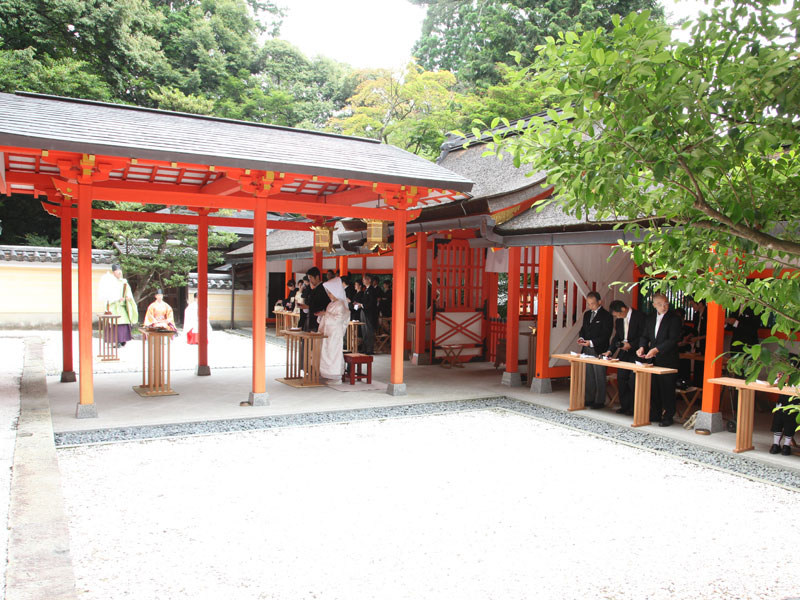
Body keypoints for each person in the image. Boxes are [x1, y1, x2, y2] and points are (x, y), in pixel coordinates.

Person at [637, 292, 682, 427]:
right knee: (654, 387)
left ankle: (668, 415)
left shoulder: (674, 318)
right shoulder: (650, 318)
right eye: (661, 304)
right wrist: (642, 347)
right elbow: (645, 336)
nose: (664, 306)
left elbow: (673, 339)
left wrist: (657, 349)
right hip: (653, 359)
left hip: (668, 358)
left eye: (666, 303)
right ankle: (655, 413)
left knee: (667, 388)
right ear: (654, 305)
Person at [605, 300, 645, 416]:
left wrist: (631, 345)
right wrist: (610, 351)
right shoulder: (618, 321)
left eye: (617, 314)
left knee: (633, 380)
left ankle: (634, 407)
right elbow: (617, 337)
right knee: (621, 379)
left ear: (623, 309)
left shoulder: (640, 316)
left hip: (636, 352)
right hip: (623, 353)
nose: (617, 317)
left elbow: (643, 335)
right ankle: (625, 406)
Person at [577, 291, 614, 409]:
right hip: (586, 348)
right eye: (588, 304)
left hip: (599, 349)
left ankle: (599, 401)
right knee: (588, 375)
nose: (590, 306)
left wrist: (592, 342)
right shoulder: (587, 314)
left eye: (592, 303)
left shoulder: (606, 316)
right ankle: (589, 398)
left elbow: (606, 335)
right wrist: (582, 338)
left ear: (599, 302)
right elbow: (583, 329)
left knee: (599, 376)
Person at [317, 277, 350, 382]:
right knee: (326, 353)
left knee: (334, 353)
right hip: (328, 332)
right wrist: (322, 317)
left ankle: (336, 375)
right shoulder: (330, 304)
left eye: (330, 293)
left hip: (335, 333)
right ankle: (327, 374)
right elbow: (327, 317)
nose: (329, 295)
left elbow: (338, 319)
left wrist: (325, 314)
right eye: (328, 293)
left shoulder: (341, 304)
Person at [97, 263, 138, 347]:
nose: (119, 272)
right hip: (114, 306)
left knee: (124, 322)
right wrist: (116, 299)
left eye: (120, 270)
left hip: (122, 306)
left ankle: (123, 340)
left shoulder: (124, 282)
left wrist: (128, 297)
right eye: (117, 271)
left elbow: (128, 292)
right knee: (114, 323)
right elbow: (108, 295)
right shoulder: (110, 282)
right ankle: (116, 341)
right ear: (113, 272)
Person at [306, 267, 330, 332]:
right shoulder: (314, 289)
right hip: (313, 320)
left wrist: (309, 306)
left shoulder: (323, 288)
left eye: (311, 278)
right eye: (309, 279)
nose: (310, 281)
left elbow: (321, 304)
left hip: (319, 320)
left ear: (317, 277)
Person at [360, 273, 379, 354]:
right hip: (365, 312)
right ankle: (365, 348)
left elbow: (372, 303)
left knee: (369, 331)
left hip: (369, 314)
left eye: (364, 279)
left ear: (369, 280)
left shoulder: (372, 290)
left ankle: (369, 349)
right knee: (364, 331)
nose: (363, 281)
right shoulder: (366, 290)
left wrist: (362, 305)